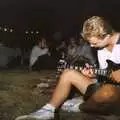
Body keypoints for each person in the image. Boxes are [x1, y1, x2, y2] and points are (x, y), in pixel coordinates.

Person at [15, 16, 120, 120]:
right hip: (106, 90)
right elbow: (107, 75)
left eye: (94, 43)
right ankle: (48, 110)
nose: (92, 46)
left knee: (108, 91)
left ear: (107, 36)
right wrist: (93, 74)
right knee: (68, 73)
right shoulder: (101, 50)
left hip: (112, 93)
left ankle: (81, 106)